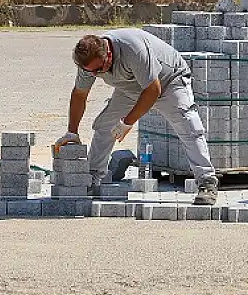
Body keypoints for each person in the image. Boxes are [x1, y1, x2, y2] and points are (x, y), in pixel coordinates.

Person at [54, 30, 220, 205]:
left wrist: (127, 122)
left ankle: (207, 182)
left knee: (187, 124)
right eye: (91, 72)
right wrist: (72, 131)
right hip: (130, 87)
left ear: (108, 54)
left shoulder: (133, 49)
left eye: (98, 69)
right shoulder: (89, 64)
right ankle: (93, 176)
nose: (94, 75)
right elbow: (80, 94)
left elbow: (153, 90)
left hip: (169, 81)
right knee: (105, 125)